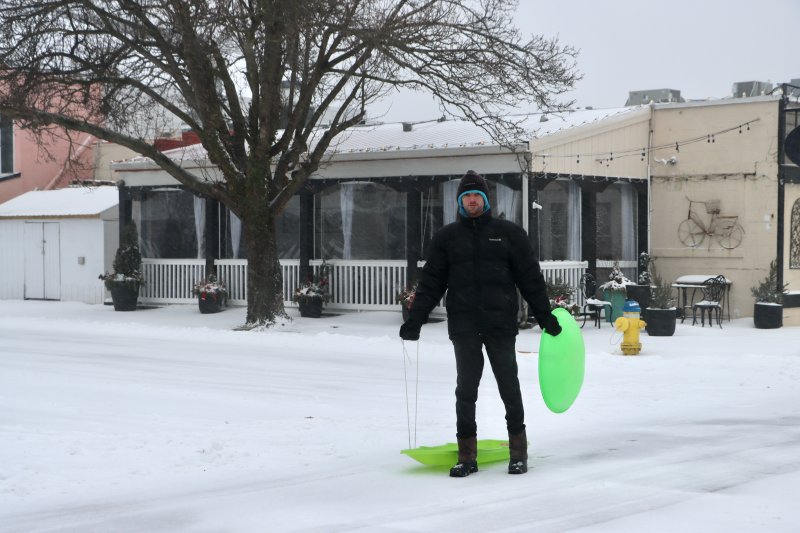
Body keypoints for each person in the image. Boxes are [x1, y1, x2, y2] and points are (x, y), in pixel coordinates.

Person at [399, 170, 561, 477]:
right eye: (466, 197)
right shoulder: (447, 238)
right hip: (464, 324)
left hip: (500, 323)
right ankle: (467, 457)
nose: (472, 201)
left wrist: (545, 316)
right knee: (466, 390)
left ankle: (518, 454)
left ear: (485, 200)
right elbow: (431, 283)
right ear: (460, 202)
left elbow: (530, 279)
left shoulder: (509, 234)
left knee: (508, 386)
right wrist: (416, 320)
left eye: (477, 196)